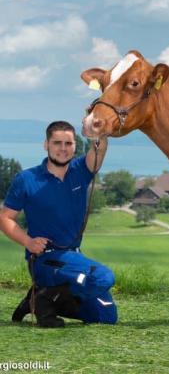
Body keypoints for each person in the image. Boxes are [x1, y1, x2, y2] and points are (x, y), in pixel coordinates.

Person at [0, 121, 117, 327]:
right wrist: (28, 242)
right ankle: (44, 299)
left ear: (75, 145)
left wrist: (98, 128)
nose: (63, 149)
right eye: (57, 143)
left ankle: (40, 299)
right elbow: (5, 218)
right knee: (103, 277)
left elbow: (100, 150)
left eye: (68, 143)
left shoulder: (81, 169)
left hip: (73, 257)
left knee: (106, 316)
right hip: (44, 260)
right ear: (46, 145)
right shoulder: (27, 179)